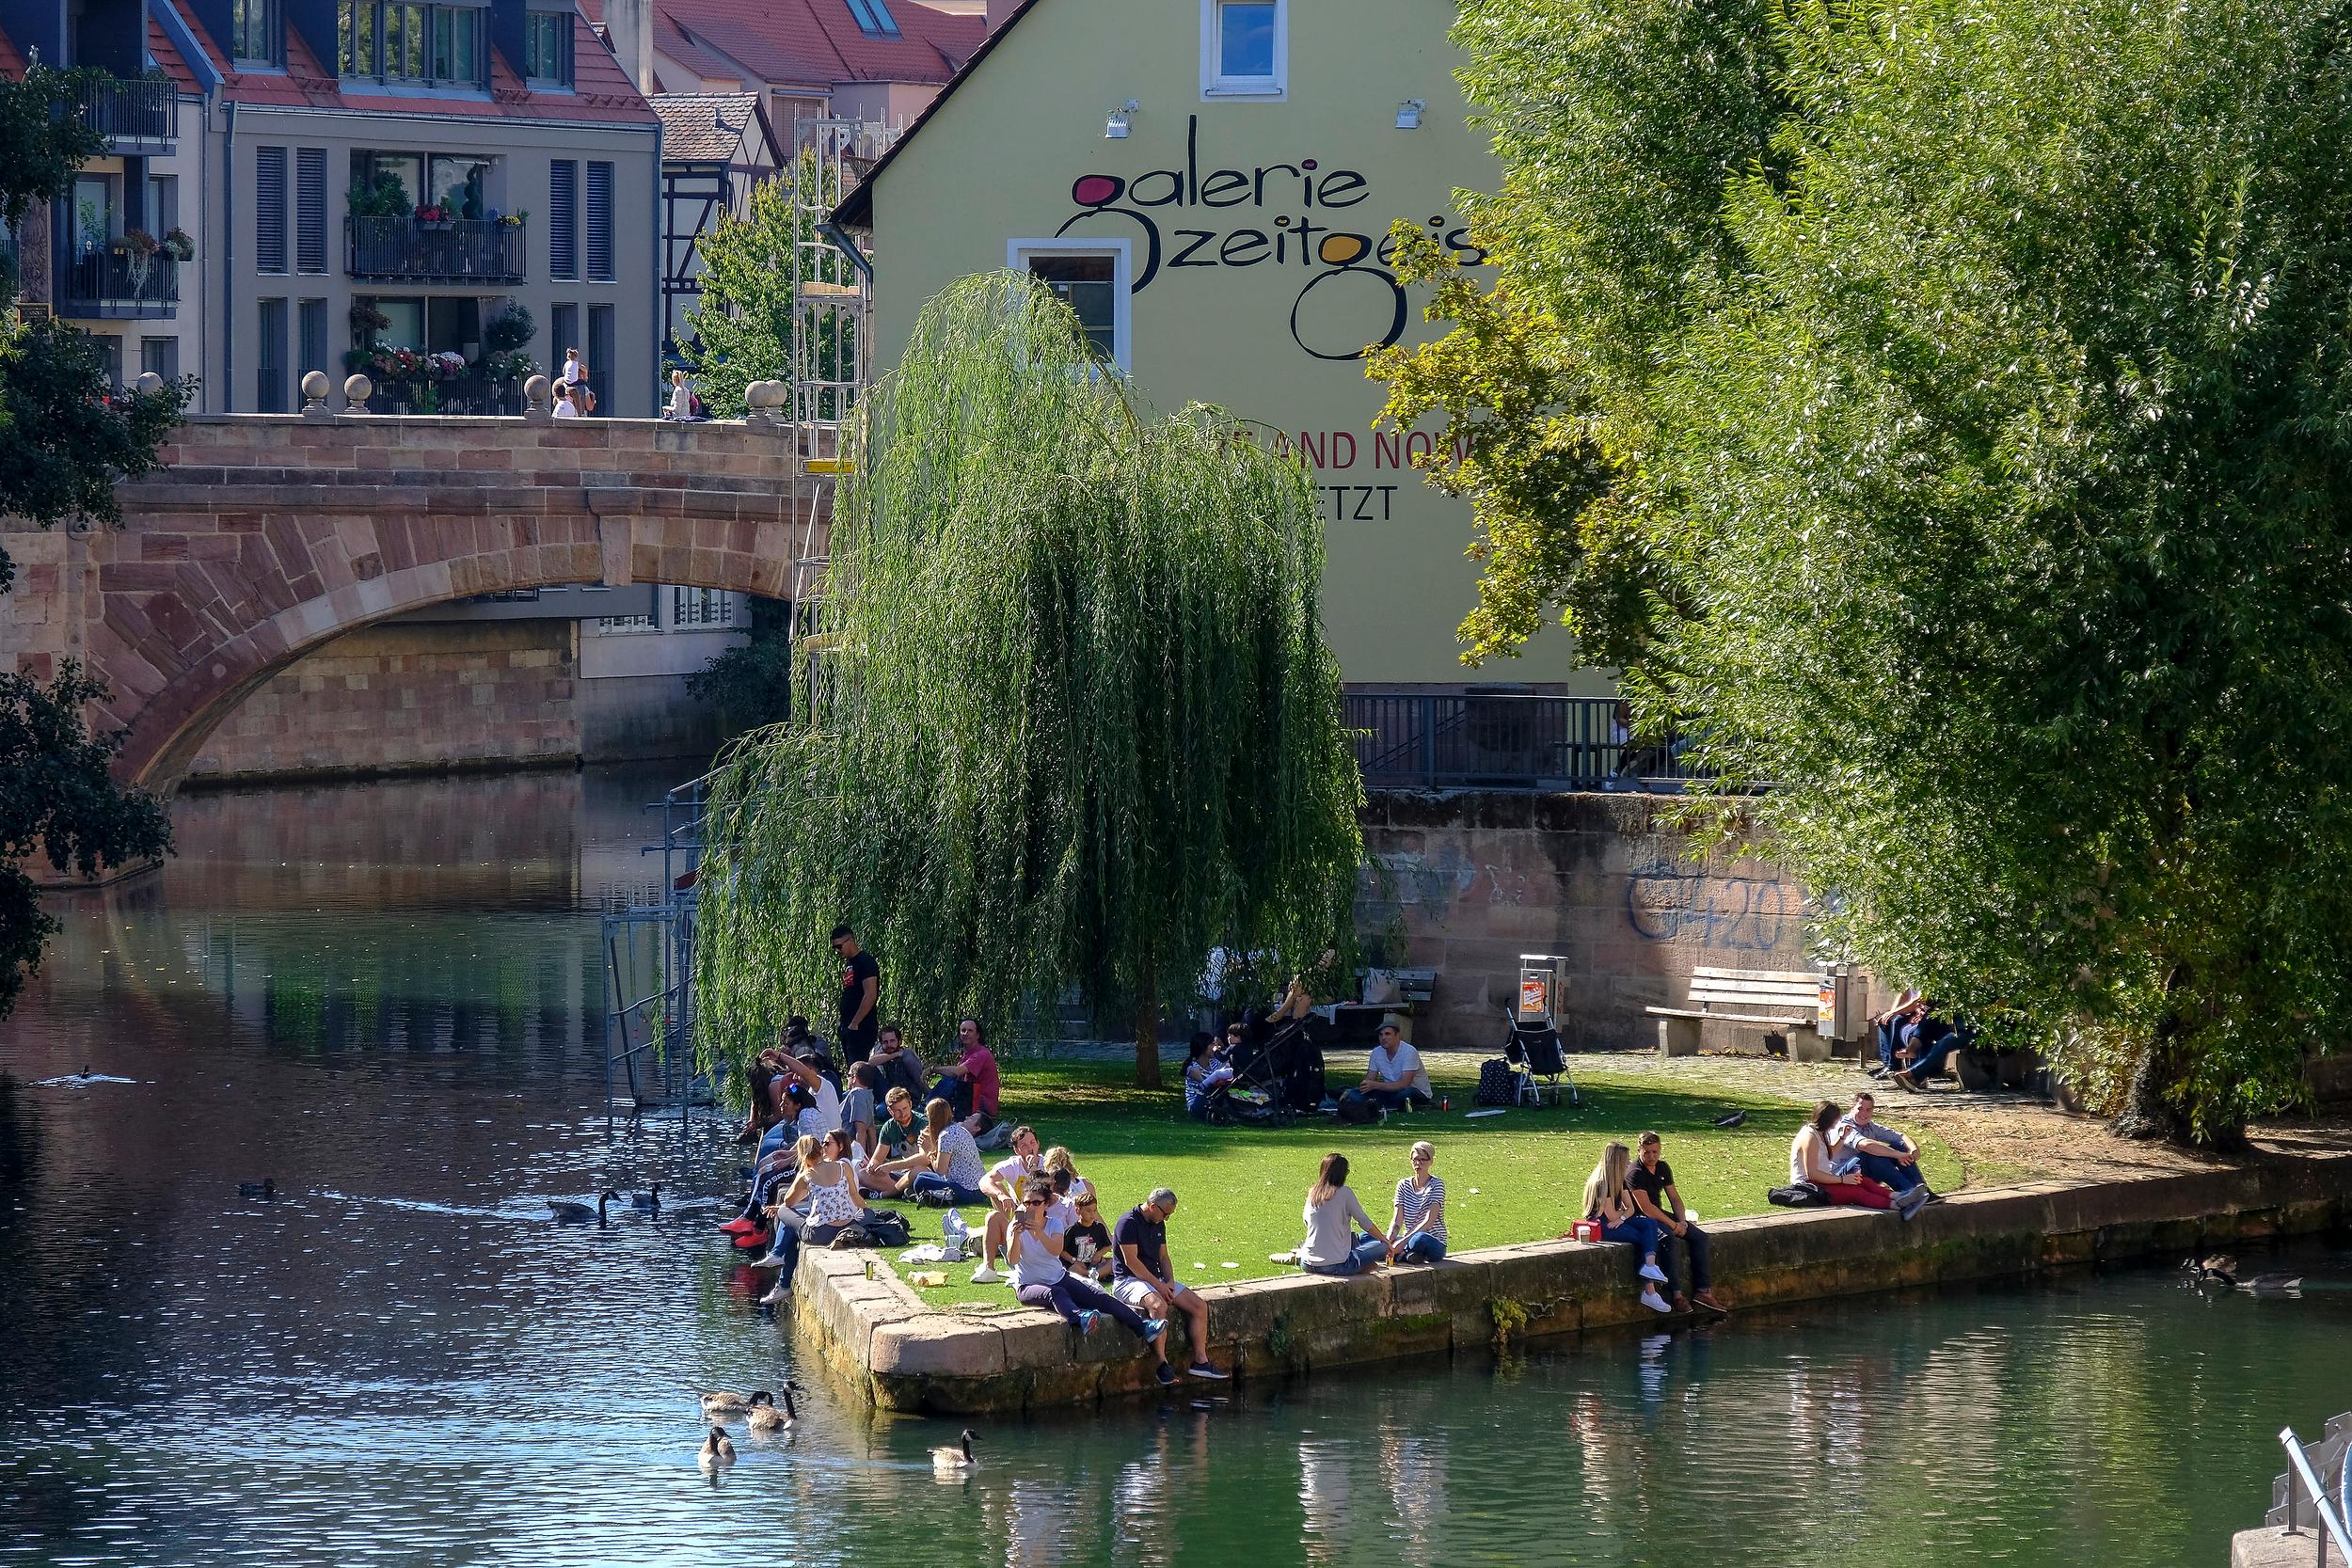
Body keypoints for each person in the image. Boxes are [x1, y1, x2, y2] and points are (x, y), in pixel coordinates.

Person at [1008, 1176, 1173, 1370]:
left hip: (1058, 1277)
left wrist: (1038, 1233)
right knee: (1055, 1293)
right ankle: (1079, 1317)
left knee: (1100, 1296)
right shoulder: (1015, 1226)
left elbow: (1054, 1250)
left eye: (1036, 1202)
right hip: (1028, 1285)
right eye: (1026, 1202)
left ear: (1045, 1205)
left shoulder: (1054, 1225)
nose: (1030, 1207)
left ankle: (1143, 1326)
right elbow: (1012, 1260)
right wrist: (1016, 1236)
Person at [1112, 1186, 1225, 1379]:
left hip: (1156, 1279)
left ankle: (1201, 1361)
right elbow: (1132, 1263)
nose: (1167, 1219)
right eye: (1166, 1214)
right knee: (1158, 1305)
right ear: (1153, 1206)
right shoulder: (1127, 1223)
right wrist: (1159, 1285)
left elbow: (1163, 1257)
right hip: (1128, 1280)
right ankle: (1162, 1364)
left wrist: (1170, 1281)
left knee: (1199, 1306)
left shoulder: (1158, 1223)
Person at [755, 1130, 868, 1302]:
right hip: (845, 1226)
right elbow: (854, 1195)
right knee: (793, 1225)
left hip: (821, 1233)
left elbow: (788, 1202)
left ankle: (779, 1264)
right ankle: (781, 1277)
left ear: (803, 1155)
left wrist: (802, 1172)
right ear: (820, 1151)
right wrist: (866, 1209)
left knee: (784, 1213)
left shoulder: (806, 1175)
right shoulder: (843, 1166)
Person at [1628, 1131, 1725, 1313]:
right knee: (1669, 1239)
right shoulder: (1635, 1173)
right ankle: (1677, 1295)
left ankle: (1703, 1291)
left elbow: (1674, 1198)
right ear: (1639, 1150)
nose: (1651, 1157)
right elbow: (1646, 1208)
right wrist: (1673, 1225)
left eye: (1655, 1152)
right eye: (1646, 1152)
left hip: (1661, 1214)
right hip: (1643, 1218)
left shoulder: (1663, 1167)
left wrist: (1682, 1221)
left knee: (1700, 1238)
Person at [1573, 1142, 1673, 1313]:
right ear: (1616, 1162)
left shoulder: (1620, 1180)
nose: (1629, 1163)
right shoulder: (1601, 1183)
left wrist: (1624, 1217)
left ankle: (1650, 1266)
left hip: (1619, 1219)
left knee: (1649, 1223)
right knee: (1642, 1237)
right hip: (1602, 1224)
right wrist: (1622, 1215)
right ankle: (1650, 1291)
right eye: (1625, 1160)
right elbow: (1610, 1216)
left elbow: (1631, 1208)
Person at [1833, 1093, 1933, 1217]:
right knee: (1872, 1154)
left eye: (1868, 1110)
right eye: (1860, 1109)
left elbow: (1901, 1137)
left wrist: (1913, 1150)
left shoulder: (1871, 1127)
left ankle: (1921, 1189)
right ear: (1852, 1108)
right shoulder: (1844, 1125)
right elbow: (1864, 1145)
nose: (1864, 1113)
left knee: (1899, 1146)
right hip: (1840, 1178)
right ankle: (1909, 1192)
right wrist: (1898, 1155)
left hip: (1862, 1176)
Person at [1791, 1101, 1897, 1211]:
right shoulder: (1810, 1137)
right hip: (1809, 1186)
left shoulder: (1822, 1132)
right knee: (1857, 1192)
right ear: (1829, 1119)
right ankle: (1895, 1205)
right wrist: (1842, 1179)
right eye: (1837, 1119)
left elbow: (1828, 1154)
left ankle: (1898, 1196)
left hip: (1822, 1181)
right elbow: (1812, 1174)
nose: (1838, 1121)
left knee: (1864, 1182)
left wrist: (1842, 1137)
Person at [970, 1125, 1043, 1285]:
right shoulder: (1013, 1165)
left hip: (1045, 1226)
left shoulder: (1048, 1165)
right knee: (994, 1210)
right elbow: (984, 1181)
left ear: (1038, 1144)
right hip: (1021, 1223)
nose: (1030, 1148)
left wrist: (1033, 1169)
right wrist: (1001, 1195)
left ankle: (973, 1237)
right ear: (1017, 1150)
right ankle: (988, 1268)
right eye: (1024, 1146)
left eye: (1032, 1143)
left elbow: (1040, 1198)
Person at [1297, 1152, 1390, 1276]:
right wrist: (1385, 1241)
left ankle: (1365, 1265)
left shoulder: (1313, 1192)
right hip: (1336, 1265)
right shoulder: (1345, 1193)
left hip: (1307, 1263)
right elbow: (1364, 1222)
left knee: (1356, 1241)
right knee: (1382, 1247)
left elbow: (1307, 1221)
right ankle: (1365, 1265)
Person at [906, 1098, 990, 1208]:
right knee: (922, 1175)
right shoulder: (957, 1129)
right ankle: (929, 1196)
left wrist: (929, 1150)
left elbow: (941, 1171)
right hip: (977, 1187)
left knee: (920, 1181)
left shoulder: (946, 1135)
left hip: (969, 1190)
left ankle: (931, 1197)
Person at [929, 1016, 1002, 1133]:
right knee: (949, 1081)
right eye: (963, 1030)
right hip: (968, 1097)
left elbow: (958, 1071)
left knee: (950, 1081)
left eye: (970, 1030)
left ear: (978, 1035)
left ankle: (926, 1108)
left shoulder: (982, 1054)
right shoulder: (966, 1054)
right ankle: (929, 1107)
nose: (965, 1033)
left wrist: (932, 1069)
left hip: (982, 1105)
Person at [1385, 1140, 1448, 1263]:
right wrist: (1388, 1240)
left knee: (1419, 1240)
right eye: (1415, 1159)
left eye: (1423, 1160)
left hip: (1431, 1240)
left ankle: (1402, 1254)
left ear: (1431, 1161)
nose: (1418, 1163)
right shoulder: (1403, 1185)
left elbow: (1428, 1221)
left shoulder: (1437, 1185)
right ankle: (1408, 1256)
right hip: (1408, 1237)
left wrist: (1403, 1242)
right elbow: (1398, 1219)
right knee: (1369, 1238)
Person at [1358, 1022, 1432, 1114]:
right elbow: (1370, 1079)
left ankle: (1381, 1105)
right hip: (1390, 1091)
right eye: (1381, 1035)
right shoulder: (1376, 1052)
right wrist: (1366, 1086)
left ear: (1397, 1036)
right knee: (1355, 1094)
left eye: (1387, 1034)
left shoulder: (1409, 1051)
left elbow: (1405, 1084)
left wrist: (1375, 1085)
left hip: (1414, 1091)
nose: (1383, 1038)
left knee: (1405, 1094)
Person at [831, 925, 881, 1062]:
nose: (837, 951)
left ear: (850, 940)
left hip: (861, 1027)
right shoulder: (850, 964)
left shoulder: (865, 962)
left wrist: (855, 1022)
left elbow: (870, 994)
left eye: (839, 946)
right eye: (834, 948)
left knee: (859, 1069)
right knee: (852, 1068)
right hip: (849, 1026)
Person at [860, 1085, 921, 1196]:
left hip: (924, 1171)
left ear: (910, 1105)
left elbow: (925, 1158)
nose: (902, 1114)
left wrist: (892, 1166)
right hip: (903, 1173)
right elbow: (877, 1158)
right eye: (897, 1111)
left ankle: (891, 1193)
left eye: (905, 1109)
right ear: (890, 1111)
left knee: (917, 1171)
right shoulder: (889, 1127)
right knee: (862, 1174)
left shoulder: (922, 1123)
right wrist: (872, 1166)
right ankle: (902, 1190)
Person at [1061, 1178, 1115, 1286]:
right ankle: (1090, 1275)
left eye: (1094, 1210)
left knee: (1114, 1262)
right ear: (1078, 1211)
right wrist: (1073, 1260)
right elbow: (1061, 1251)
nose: (1092, 1214)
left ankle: (1095, 1274)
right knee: (1073, 1270)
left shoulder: (1099, 1227)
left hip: (1095, 1264)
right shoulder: (1072, 1230)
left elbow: (1108, 1246)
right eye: (1088, 1211)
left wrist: (1099, 1254)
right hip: (1078, 1265)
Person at [1183, 1032, 1237, 1121]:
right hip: (1197, 1104)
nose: (1215, 1047)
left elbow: (1227, 1069)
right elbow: (1209, 1085)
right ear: (1203, 1047)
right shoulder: (1192, 1069)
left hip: (1212, 1100)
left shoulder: (1214, 1062)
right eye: (1212, 1044)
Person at [1870, 989, 1926, 1076]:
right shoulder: (1910, 980)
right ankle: (1887, 1064)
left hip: (1922, 1014)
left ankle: (1894, 1066)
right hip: (1912, 1012)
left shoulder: (1926, 979)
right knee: (1885, 1022)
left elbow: (1915, 1002)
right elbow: (1904, 994)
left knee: (1897, 1021)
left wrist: (1893, 1013)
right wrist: (1889, 1015)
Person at [869, 1023, 927, 1100]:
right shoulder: (883, 1055)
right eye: (885, 1042)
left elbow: (920, 1079)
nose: (889, 1044)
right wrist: (895, 1054)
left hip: (906, 1097)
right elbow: (871, 1062)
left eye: (892, 1041)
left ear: (899, 1041)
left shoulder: (907, 1055)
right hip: (886, 1096)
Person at [840, 1061, 881, 1159]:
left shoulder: (856, 1093)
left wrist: (858, 1160)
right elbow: (871, 1130)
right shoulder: (868, 1094)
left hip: (844, 1147)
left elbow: (861, 1130)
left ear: (854, 1078)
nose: (847, 1078)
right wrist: (873, 1159)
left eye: (849, 1075)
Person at [559, 347, 594, 412]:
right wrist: (593, 397)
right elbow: (590, 407)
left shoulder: (561, 386)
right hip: (579, 414)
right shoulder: (584, 388)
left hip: (565, 413)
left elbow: (563, 371)